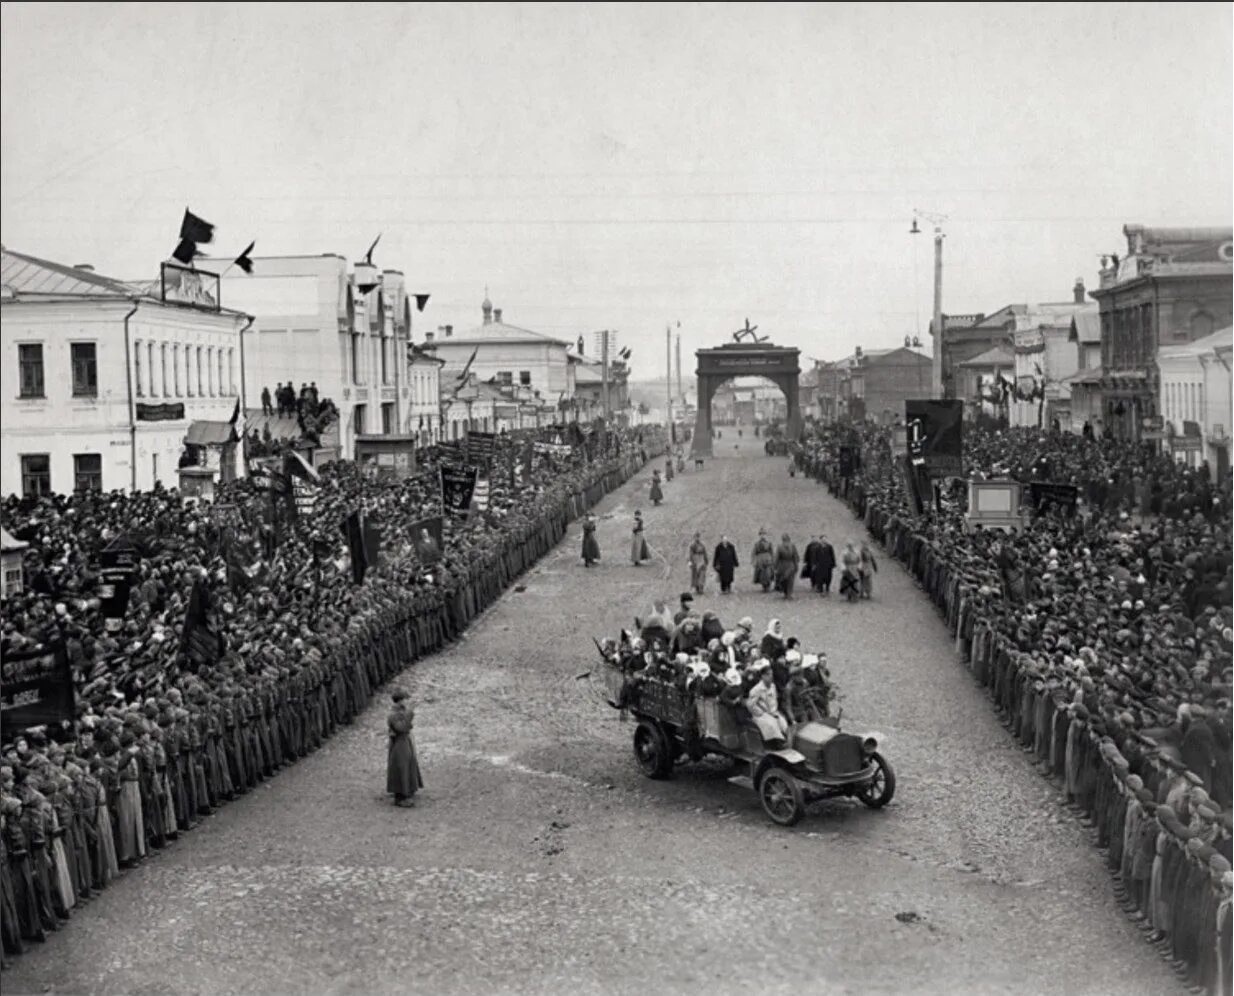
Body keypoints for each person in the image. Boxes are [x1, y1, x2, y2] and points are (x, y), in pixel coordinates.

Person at [386, 688, 422, 808]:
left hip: (404, 741)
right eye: (405, 699)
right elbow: (401, 728)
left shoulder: (400, 711)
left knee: (408, 763)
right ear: (400, 700)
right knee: (402, 766)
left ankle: (409, 789)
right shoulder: (393, 714)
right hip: (400, 743)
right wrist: (410, 714)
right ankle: (401, 796)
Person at [746, 662, 788, 746]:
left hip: (772, 712)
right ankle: (777, 743)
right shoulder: (756, 689)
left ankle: (784, 740)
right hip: (761, 715)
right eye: (768, 674)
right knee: (771, 724)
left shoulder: (773, 686)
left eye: (771, 674)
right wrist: (761, 713)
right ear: (763, 676)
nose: (771, 676)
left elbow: (774, 700)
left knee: (783, 723)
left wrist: (774, 711)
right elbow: (750, 705)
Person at [774, 533, 800, 600]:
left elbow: (776, 558)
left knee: (784, 580)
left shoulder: (779, 546)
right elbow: (795, 557)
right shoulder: (792, 546)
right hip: (791, 565)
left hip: (782, 565)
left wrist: (775, 567)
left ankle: (786, 594)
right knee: (790, 581)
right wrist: (796, 566)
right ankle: (789, 594)